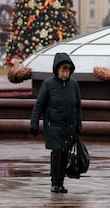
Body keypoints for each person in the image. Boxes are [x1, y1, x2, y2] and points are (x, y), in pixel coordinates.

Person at [30, 52, 82, 193]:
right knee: (57, 152)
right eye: (63, 70)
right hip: (53, 126)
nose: (65, 74)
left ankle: (61, 183)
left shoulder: (74, 85)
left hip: (69, 126)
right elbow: (39, 105)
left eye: (68, 70)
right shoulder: (48, 84)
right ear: (57, 69)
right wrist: (34, 122)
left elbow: (77, 105)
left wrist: (78, 124)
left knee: (65, 154)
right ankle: (54, 182)